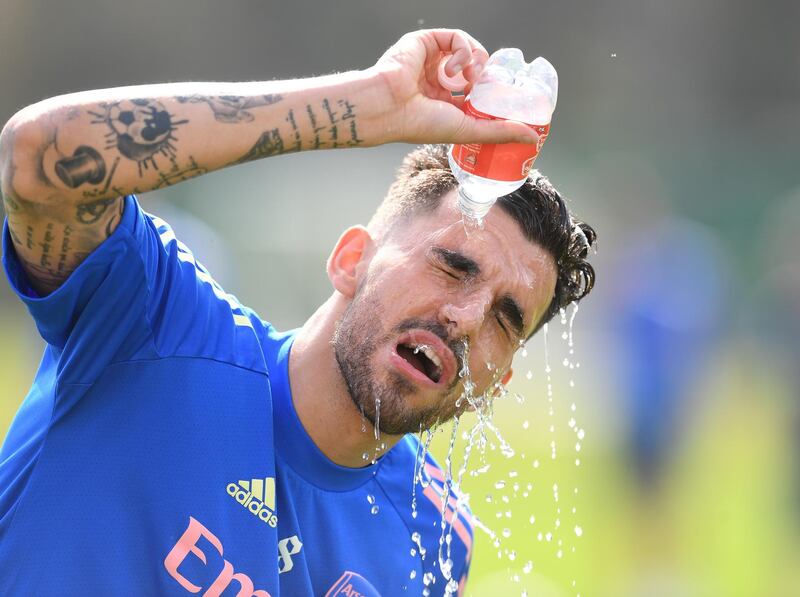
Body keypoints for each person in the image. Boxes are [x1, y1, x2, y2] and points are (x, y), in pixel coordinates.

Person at [0, 29, 595, 596]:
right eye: (451, 267)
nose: (467, 317)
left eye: (505, 319)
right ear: (351, 260)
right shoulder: (154, 319)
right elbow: (36, 159)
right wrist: (370, 106)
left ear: (497, 386)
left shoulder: (436, 534)